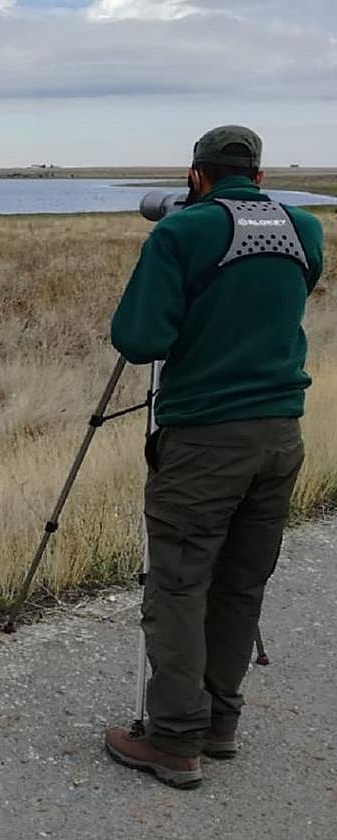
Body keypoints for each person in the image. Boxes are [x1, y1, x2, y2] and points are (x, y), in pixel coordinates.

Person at [104, 125, 326, 788]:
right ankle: (221, 724)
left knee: (177, 586)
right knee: (239, 583)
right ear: (258, 176)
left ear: (196, 175)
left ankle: (174, 741)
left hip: (205, 440)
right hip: (281, 434)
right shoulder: (305, 230)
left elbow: (139, 339)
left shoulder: (180, 234)